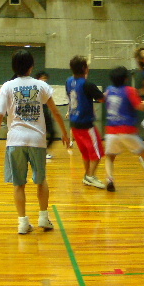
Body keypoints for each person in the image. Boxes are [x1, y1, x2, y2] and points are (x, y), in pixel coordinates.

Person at [0, 49, 70, 234]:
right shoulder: (41, 86)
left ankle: (23, 223)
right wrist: (65, 133)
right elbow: (55, 111)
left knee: (19, 184)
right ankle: (43, 218)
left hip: (15, 141)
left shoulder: (7, 86)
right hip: (37, 140)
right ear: (31, 66)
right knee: (41, 181)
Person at [103, 66, 144, 192]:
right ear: (126, 79)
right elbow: (140, 107)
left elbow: (106, 98)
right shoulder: (129, 90)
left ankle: (110, 179)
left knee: (110, 157)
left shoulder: (109, 90)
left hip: (111, 130)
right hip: (127, 130)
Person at [65, 55, 106, 189]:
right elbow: (101, 99)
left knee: (86, 152)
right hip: (86, 124)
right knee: (98, 152)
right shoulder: (88, 84)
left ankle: (87, 175)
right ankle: (90, 176)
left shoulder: (68, 81)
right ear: (84, 68)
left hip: (74, 123)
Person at [35, 71, 56, 159]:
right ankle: (40, 152)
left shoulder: (46, 88)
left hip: (45, 114)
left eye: (45, 78)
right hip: (37, 115)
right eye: (42, 78)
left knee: (52, 132)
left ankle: (44, 150)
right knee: (39, 134)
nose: (44, 80)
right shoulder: (34, 88)